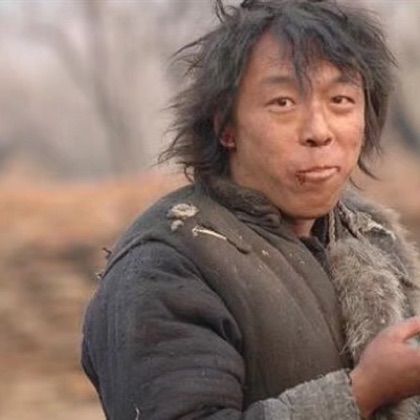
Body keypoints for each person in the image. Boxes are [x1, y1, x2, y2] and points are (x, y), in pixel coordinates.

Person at [81, 1, 420, 419]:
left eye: (340, 99)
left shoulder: (368, 234)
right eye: (283, 102)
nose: (319, 131)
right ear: (226, 126)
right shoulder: (166, 265)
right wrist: (362, 392)